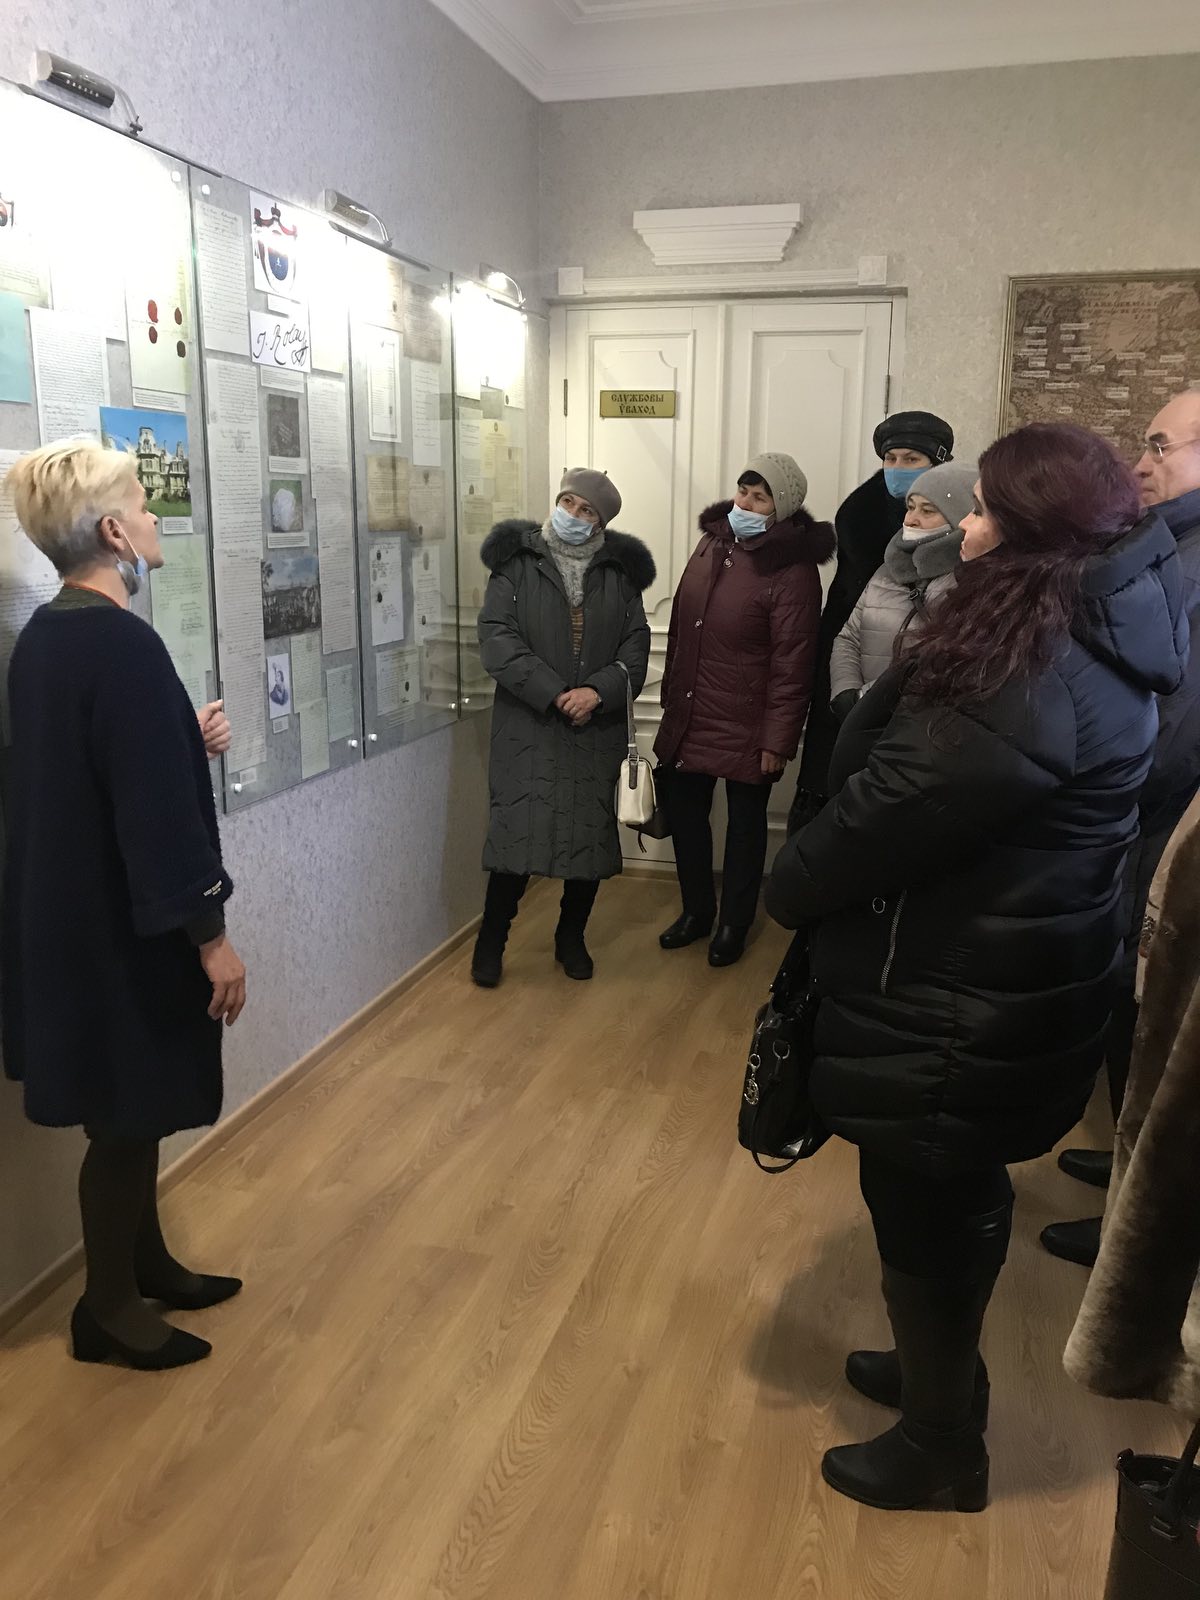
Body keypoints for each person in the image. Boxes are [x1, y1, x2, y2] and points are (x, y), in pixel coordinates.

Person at [764, 423, 1185, 1513]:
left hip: (961, 990)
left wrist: (788, 885)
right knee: (944, 1188)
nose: (968, 527)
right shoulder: (1083, 625)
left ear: (1038, 531)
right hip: (1004, 968)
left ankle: (942, 1442)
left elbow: (889, 813)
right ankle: (937, 1371)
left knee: (926, 1197)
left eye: (989, 509)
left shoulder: (1026, 668)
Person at [1, 441, 247, 1372]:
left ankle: (144, 1265)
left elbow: (93, 770)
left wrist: (180, 738)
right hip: (124, 928)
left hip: (73, 917)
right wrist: (212, 939)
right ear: (113, 531)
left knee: (126, 1108)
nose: (152, 518)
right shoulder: (121, 644)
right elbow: (154, 819)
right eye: (142, 505)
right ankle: (105, 1309)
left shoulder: (47, 637)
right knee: (125, 1116)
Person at [1044, 388, 1200, 1269]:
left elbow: (1175, 732)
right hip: (1140, 826)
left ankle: (1130, 1232)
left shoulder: (1191, 562)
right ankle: (1123, 1177)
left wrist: (1095, 794)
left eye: (1161, 447)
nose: (1141, 464)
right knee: (1129, 1022)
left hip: (1157, 830)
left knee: (1146, 1021)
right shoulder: (1167, 548)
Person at [471, 468, 653, 987]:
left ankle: (571, 938)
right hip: (529, 724)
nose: (573, 515)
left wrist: (597, 692)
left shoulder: (620, 574)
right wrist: (553, 692)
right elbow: (497, 638)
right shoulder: (517, 562)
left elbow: (635, 648)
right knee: (515, 839)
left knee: (586, 841)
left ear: (601, 523)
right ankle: (491, 942)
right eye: (568, 502)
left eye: (586, 510)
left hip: (593, 728)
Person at [655, 454, 833, 967]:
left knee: (745, 827)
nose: (746, 504)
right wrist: (670, 699)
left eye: (761, 497)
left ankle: (734, 922)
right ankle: (696, 911)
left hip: (750, 722)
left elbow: (794, 663)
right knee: (687, 816)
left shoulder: (794, 569)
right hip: (693, 709)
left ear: (783, 507)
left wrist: (778, 740)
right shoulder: (712, 543)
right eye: (743, 491)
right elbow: (682, 627)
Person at [787, 410, 954, 834]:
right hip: (844, 679)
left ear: (938, 463)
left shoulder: (959, 544)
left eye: (911, 459)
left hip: (912, 703)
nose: (897, 469)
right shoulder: (860, 517)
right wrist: (844, 689)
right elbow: (844, 623)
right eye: (890, 458)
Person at [828, 461, 975, 716]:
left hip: (918, 724)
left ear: (959, 518)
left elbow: (936, 663)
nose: (911, 520)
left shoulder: (968, 584)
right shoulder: (888, 571)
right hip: (860, 721)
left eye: (927, 511)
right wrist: (845, 693)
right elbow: (848, 638)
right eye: (910, 507)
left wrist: (866, 701)